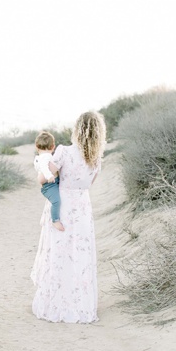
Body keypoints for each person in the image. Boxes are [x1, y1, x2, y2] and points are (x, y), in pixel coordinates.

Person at [30, 111, 106, 324]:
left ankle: (56, 304)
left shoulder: (63, 152)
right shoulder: (96, 160)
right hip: (82, 209)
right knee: (79, 255)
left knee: (59, 254)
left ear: (77, 130)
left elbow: (44, 178)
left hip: (63, 206)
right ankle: (79, 305)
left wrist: (42, 174)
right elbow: (88, 185)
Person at [33, 131, 65, 232]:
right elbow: (44, 168)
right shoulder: (46, 156)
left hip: (51, 183)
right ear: (53, 147)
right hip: (49, 185)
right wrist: (49, 176)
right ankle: (55, 220)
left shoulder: (41, 156)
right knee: (56, 201)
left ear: (37, 147)